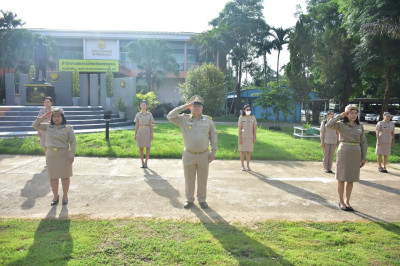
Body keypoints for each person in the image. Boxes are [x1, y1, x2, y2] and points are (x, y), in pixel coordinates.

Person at [167, 95, 218, 209]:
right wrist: (184, 106)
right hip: (189, 154)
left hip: (204, 154)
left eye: (199, 106)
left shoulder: (208, 120)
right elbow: (170, 116)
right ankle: (189, 199)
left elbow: (213, 136)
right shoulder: (183, 119)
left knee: (202, 178)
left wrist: (213, 152)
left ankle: (202, 199)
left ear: (202, 108)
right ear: (190, 107)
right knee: (189, 178)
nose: (197, 108)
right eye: (194, 106)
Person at [326, 104, 367, 212]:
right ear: (346, 114)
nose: (354, 115)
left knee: (351, 178)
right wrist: (340, 115)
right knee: (342, 177)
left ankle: (347, 201)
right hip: (344, 151)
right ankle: (341, 201)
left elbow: (363, 142)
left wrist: (364, 157)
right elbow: (328, 125)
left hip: (356, 152)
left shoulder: (360, 126)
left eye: (355, 113)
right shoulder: (340, 124)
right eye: (351, 113)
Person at [32, 108, 76, 206]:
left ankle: (65, 195)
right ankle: (55, 196)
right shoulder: (48, 127)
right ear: (51, 118)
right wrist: (44, 117)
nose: (56, 118)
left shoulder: (68, 128)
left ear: (62, 117)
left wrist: (71, 155)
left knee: (65, 177)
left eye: (58, 116)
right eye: (54, 116)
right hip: (51, 156)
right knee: (53, 178)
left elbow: (73, 143)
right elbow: (35, 125)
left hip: (64, 155)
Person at [134, 100, 154, 168]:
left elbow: (151, 125)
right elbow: (136, 125)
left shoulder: (150, 114)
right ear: (140, 106)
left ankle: (146, 162)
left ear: (146, 106)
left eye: (145, 105)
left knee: (148, 147)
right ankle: (142, 162)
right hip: (140, 131)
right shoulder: (138, 115)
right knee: (141, 148)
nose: (143, 106)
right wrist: (135, 134)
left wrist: (152, 134)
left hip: (147, 130)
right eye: (142, 105)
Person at [238, 104, 257, 171]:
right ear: (244, 110)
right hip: (242, 137)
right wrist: (240, 138)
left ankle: (248, 166)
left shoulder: (253, 117)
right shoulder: (241, 117)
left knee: (249, 152)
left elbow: (254, 128)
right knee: (242, 152)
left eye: (249, 109)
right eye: (247, 109)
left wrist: (255, 137)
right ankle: (242, 166)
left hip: (250, 137)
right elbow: (240, 128)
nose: (249, 111)